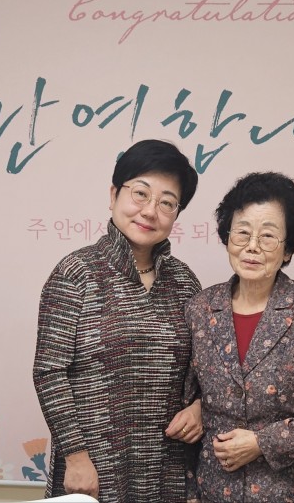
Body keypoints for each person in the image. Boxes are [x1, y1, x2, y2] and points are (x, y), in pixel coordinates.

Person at [33, 139, 204, 503]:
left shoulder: (185, 282)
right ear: (114, 195)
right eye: (140, 193)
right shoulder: (75, 273)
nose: (150, 211)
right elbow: (49, 372)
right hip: (94, 467)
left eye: (167, 202)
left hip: (168, 468)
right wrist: (76, 458)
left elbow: (206, 369)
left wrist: (199, 408)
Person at [183, 171, 294, 503]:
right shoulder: (200, 309)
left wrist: (262, 442)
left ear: (287, 249)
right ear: (227, 237)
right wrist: (191, 490)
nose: (252, 246)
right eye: (242, 232)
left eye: (268, 236)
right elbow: (187, 404)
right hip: (213, 488)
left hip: (290, 491)